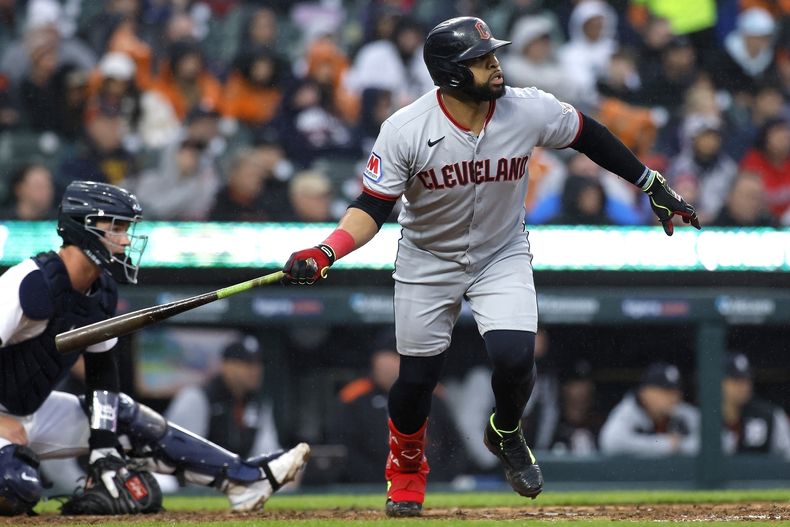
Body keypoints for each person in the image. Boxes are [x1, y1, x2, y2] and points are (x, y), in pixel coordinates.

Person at [281, 16, 699, 517]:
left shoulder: (527, 107)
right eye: (481, 59)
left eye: (493, 54)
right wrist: (326, 251)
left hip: (500, 252)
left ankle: (504, 430)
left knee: (515, 355)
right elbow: (371, 208)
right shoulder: (407, 128)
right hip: (427, 259)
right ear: (452, 73)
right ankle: (408, 468)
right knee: (415, 382)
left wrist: (650, 182)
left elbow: (590, 134)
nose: (495, 64)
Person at [0, 181, 309, 516]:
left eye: (126, 228)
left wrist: (102, 448)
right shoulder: (30, 282)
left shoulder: (100, 292)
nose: (126, 239)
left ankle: (244, 479)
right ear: (82, 227)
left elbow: (102, 372)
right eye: (115, 227)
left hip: (28, 412)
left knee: (126, 417)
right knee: (15, 484)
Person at [330, 333, 466, 483]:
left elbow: (455, 446)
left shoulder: (432, 393)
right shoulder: (354, 396)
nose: (388, 364)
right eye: (384, 357)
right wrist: (375, 480)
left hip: (429, 482)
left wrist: (439, 479)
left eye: (395, 357)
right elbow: (343, 449)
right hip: (371, 485)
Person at [166, 335, 281, 458]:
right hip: (194, 473)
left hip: (237, 474)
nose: (255, 370)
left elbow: (267, 451)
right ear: (226, 365)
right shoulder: (197, 397)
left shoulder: (258, 403)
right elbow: (180, 452)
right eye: (247, 364)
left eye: (259, 363)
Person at [599, 362, 700, 457]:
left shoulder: (683, 412)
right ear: (645, 393)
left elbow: (707, 443)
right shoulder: (629, 411)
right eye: (666, 391)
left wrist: (679, 445)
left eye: (676, 390)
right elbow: (611, 442)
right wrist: (666, 444)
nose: (674, 397)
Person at [721, 352, 790, 458]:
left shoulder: (769, 415)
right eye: (736, 380)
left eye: (747, 379)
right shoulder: (701, 416)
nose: (744, 386)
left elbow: (786, 457)